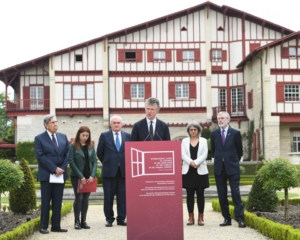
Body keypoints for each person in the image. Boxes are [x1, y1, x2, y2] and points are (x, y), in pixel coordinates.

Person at [34, 114, 70, 234]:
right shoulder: (39, 138)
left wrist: (62, 168)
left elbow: (67, 154)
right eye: (53, 122)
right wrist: (54, 169)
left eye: (56, 122)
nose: (56, 124)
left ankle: (56, 226)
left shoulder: (63, 137)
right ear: (46, 125)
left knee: (57, 201)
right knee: (45, 202)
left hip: (61, 175)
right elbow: (40, 157)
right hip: (47, 175)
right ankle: (43, 226)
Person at [210, 111, 246, 228]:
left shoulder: (235, 133)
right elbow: (214, 150)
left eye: (222, 118)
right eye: (218, 118)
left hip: (232, 168)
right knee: (222, 195)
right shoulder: (214, 134)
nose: (220, 120)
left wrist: (233, 160)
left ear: (228, 120)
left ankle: (240, 219)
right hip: (219, 168)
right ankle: (227, 218)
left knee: (236, 194)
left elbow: (239, 150)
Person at [96, 115, 131, 227]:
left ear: (122, 124)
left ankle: (121, 218)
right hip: (109, 172)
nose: (116, 124)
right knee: (108, 197)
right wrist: (108, 162)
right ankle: (109, 219)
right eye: (114, 122)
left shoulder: (128, 136)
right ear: (110, 124)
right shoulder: (104, 136)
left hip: (123, 172)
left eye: (118, 122)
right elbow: (99, 152)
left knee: (122, 197)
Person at [69, 126, 97, 230]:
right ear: (78, 135)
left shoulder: (91, 146)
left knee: (86, 199)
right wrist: (81, 176)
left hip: (89, 177)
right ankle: (76, 221)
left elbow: (94, 161)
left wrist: (92, 175)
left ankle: (83, 220)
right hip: (77, 176)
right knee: (79, 198)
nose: (85, 137)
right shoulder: (73, 146)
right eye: (83, 135)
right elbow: (71, 162)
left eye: (87, 135)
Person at [182, 121, 209, 226]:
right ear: (188, 131)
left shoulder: (204, 140)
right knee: (189, 195)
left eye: (195, 129)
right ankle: (191, 217)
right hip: (188, 171)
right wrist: (191, 163)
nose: (193, 131)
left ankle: (201, 217)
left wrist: (196, 162)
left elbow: (205, 154)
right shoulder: (184, 141)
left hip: (200, 171)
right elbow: (182, 154)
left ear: (198, 130)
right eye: (191, 130)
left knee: (200, 194)